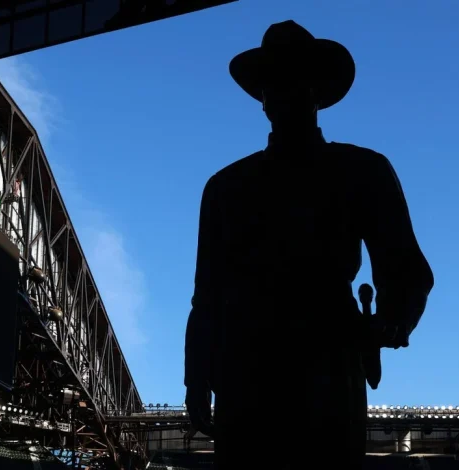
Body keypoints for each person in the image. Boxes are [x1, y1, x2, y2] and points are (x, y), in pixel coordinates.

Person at [184, 20, 434, 469]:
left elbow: (404, 267)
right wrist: (196, 378)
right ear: (262, 98)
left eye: (295, 79)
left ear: (317, 91)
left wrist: (395, 319)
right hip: (259, 372)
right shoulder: (224, 188)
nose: (284, 91)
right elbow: (206, 297)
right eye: (274, 82)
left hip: (320, 366)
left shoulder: (363, 171)